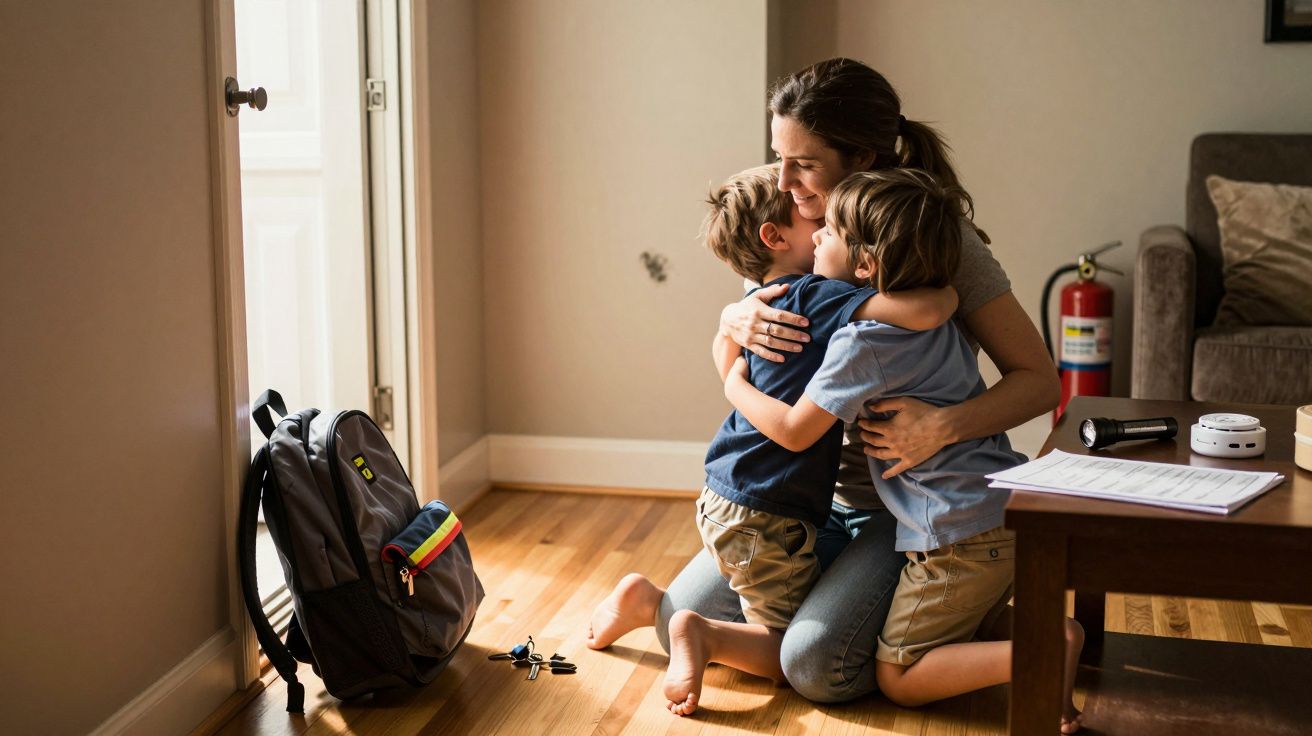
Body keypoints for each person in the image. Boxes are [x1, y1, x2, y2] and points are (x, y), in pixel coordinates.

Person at [587, 57, 1058, 705]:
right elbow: (747, 355)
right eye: (779, 157)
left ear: (862, 158)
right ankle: (926, 619)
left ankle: (947, 621)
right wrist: (730, 318)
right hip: (804, 505)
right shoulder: (797, 230)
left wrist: (940, 426)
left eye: (804, 164)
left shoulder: (931, 238)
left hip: (910, 509)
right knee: (683, 617)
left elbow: (1038, 382)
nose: (784, 181)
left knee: (815, 666)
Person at [721, 169, 1084, 733]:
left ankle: (1040, 652)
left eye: (831, 232)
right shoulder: (927, 317)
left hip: (951, 532)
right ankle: (1045, 635)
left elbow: (794, 431)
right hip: (996, 508)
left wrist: (733, 385)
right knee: (689, 605)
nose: (816, 235)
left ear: (866, 264)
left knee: (900, 676)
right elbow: (936, 302)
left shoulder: (861, 340)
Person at [658, 163, 957, 716]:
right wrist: (947, 295)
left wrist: (731, 374)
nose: (797, 187)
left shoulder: (786, 282)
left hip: (726, 484)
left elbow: (728, 357)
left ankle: (646, 604)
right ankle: (702, 631)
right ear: (777, 237)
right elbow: (927, 309)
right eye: (786, 179)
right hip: (778, 504)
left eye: (803, 168)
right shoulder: (819, 292)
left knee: (811, 659)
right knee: (779, 644)